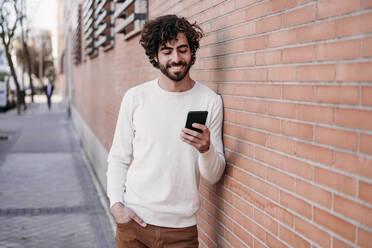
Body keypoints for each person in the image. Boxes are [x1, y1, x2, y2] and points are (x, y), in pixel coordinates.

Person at [106, 15, 225, 248]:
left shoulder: (209, 101)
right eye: (167, 51)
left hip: (181, 231)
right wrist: (116, 205)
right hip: (133, 225)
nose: (176, 58)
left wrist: (206, 149)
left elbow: (213, 176)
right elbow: (118, 157)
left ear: (192, 52)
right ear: (155, 56)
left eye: (183, 49)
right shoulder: (135, 98)